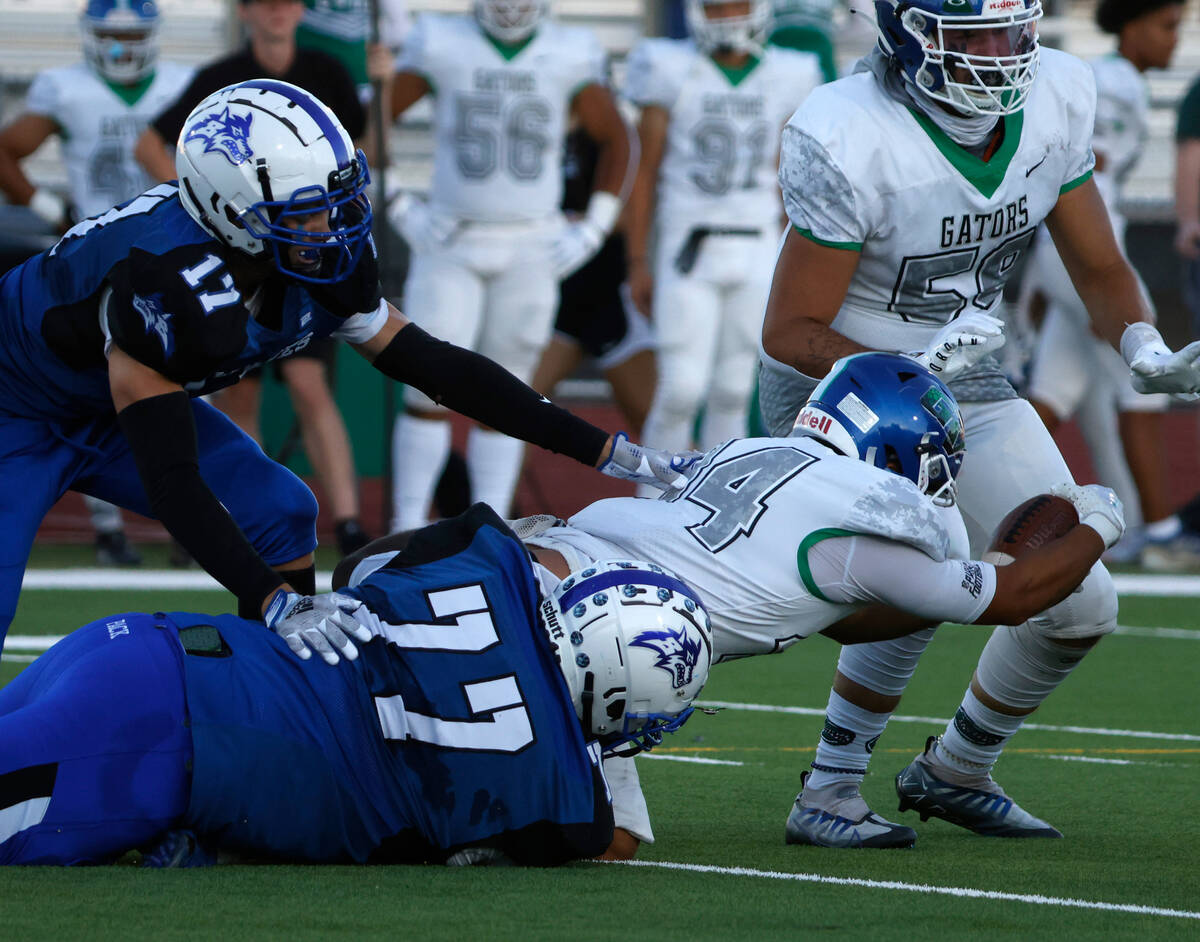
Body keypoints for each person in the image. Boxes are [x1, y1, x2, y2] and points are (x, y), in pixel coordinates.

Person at [0, 78, 697, 655]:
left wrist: (606, 451)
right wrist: (275, 601)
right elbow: (174, 482)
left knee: (279, 512)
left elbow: (436, 367)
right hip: (15, 408)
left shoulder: (310, 259)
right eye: (305, 212)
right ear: (231, 210)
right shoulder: (164, 281)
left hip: (105, 405)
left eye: (337, 200)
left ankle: (280, 703)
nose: (330, 228)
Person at [340, 352, 1116, 857]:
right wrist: (1099, 519)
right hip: (599, 633)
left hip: (532, 551)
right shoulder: (863, 529)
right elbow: (1014, 597)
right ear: (899, 448)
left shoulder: (749, 451)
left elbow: (841, 609)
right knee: (608, 840)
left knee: (373, 685)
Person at [753, 0, 1200, 847]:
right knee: (921, 572)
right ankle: (829, 791)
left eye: (1013, 32)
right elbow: (790, 330)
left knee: (1080, 599)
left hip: (973, 375)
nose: (1001, 56)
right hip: (841, 385)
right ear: (908, 39)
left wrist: (1142, 344)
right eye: (974, 38)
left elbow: (1100, 263)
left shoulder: (1057, 97)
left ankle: (956, 769)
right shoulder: (850, 130)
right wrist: (916, 367)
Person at [0, 503, 712, 866]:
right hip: (156, 749)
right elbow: (611, 837)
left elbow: (357, 571)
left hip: (139, 647)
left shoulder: (487, 556)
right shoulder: (564, 810)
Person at [134, 0, 376, 557]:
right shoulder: (220, 81)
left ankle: (348, 521)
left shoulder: (325, 75)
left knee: (311, 387)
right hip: (242, 258)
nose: (277, 12)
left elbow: (361, 156)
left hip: (306, 252)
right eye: (265, 3)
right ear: (244, 12)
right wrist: (208, 205)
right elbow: (151, 143)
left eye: (287, 2)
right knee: (237, 392)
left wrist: (382, 91)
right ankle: (245, 512)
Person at [386, 0, 632, 530]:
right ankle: (403, 530)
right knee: (421, 384)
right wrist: (396, 203)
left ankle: (492, 527)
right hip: (454, 236)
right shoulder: (440, 39)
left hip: (530, 242)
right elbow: (371, 123)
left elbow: (617, 138)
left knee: (508, 392)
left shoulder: (570, 51)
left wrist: (595, 226)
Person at [0, 0, 195, 567]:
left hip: (170, 254)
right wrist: (45, 206)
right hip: (92, 262)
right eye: (110, 36)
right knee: (94, 388)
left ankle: (188, 516)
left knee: (180, 384)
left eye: (131, 36)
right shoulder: (64, 88)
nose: (121, 47)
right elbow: (7, 150)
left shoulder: (185, 85)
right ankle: (109, 528)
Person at [1022, 0, 1189, 569]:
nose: (1175, 39)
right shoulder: (1112, 83)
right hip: (1092, 250)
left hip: (1064, 252)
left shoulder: (1116, 81)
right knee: (1145, 379)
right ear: (1133, 23)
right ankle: (1160, 532)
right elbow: (1089, 171)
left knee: (1048, 396)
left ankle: (973, 506)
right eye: (1166, 26)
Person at [623, 0, 821, 473]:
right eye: (715, 6)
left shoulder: (790, 73)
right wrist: (637, 259)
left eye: (735, 4)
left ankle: (710, 507)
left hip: (756, 242)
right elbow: (644, 171)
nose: (726, 15)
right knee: (681, 388)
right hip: (688, 244)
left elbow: (792, 177)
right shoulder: (673, 67)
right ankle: (651, 502)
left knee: (734, 388)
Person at [530, 127, 658, 436]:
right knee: (507, 415)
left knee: (658, 426)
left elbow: (632, 211)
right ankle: (500, 487)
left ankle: (705, 484)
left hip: (608, 295)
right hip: (551, 299)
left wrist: (570, 225)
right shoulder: (534, 128)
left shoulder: (608, 133)